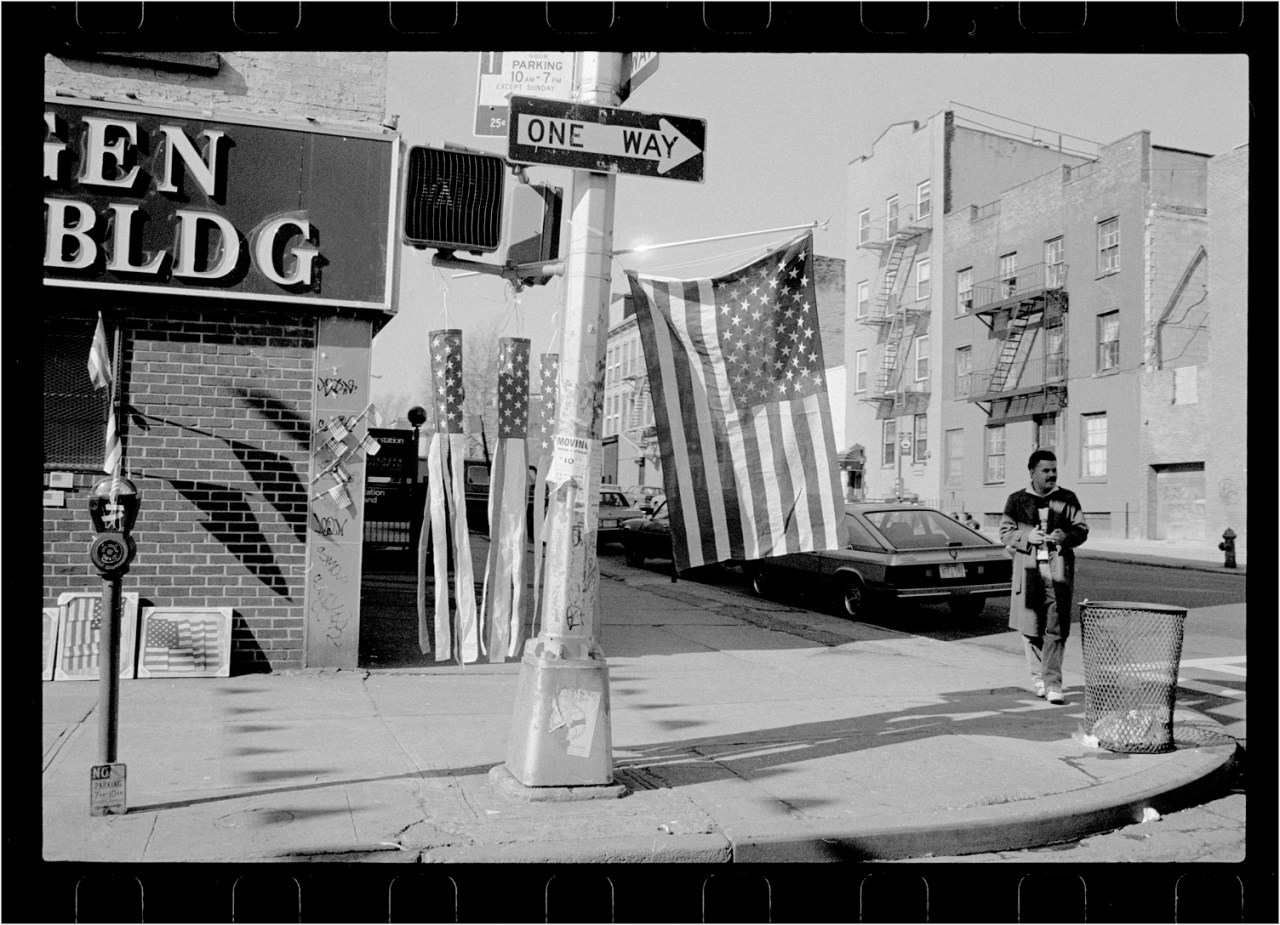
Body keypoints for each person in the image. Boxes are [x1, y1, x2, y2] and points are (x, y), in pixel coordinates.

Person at [999, 450, 1088, 704]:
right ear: (1032, 472)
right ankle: (1038, 677)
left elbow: (1081, 530)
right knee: (1030, 626)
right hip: (1028, 571)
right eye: (1046, 470)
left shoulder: (1067, 498)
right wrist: (1028, 538)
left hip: (1057, 571)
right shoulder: (1016, 500)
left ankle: (1053, 684)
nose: (1051, 474)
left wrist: (1065, 537)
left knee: (1055, 625)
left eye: (1054, 470)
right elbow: (1005, 532)